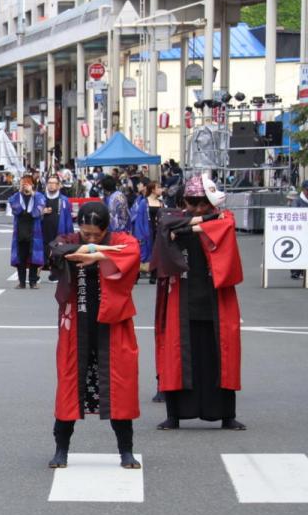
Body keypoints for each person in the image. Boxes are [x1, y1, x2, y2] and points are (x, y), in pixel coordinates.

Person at [47, 201, 142, 469]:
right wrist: (94, 248)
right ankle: (61, 450)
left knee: (119, 387)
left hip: (112, 324)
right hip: (76, 324)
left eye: (95, 235)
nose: (88, 238)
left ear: (106, 228)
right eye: (85, 233)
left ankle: (126, 451)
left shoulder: (121, 240)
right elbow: (56, 250)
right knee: (68, 386)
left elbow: (132, 252)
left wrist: (97, 256)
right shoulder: (70, 239)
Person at [152, 174, 245, 431]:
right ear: (184, 200)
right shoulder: (172, 216)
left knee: (221, 357)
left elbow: (222, 226)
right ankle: (175, 415)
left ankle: (227, 414)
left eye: (203, 202)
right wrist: (198, 223)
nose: (198, 207)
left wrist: (190, 226)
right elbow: (166, 226)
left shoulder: (224, 219)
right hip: (181, 299)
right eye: (192, 202)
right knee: (178, 356)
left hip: (215, 298)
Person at [9, 175, 45, 289]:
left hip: (34, 230)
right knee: (21, 257)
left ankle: (33, 281)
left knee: (33, 256)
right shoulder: (16, 196)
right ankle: (22, 282)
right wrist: (19, 192)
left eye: (27, 183)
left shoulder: (38, 196)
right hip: (20, 229)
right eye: (23, 183)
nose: (25, 185)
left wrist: (32, 194)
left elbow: (39, 209)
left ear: (32, 185)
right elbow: (14, 208)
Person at [40, 174, 74, 281]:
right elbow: (34, 212)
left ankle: (54, 273)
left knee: (57, 251)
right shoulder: (41, 198)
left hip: (59, 229)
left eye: (53, 183)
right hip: (43, 229)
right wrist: (42, 211)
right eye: (49, 183)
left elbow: (68, 218)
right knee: (42, 251)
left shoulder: (64, 200)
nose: (51, 186)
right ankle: (35, 275)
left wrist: (69, 233)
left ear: (58, 185)